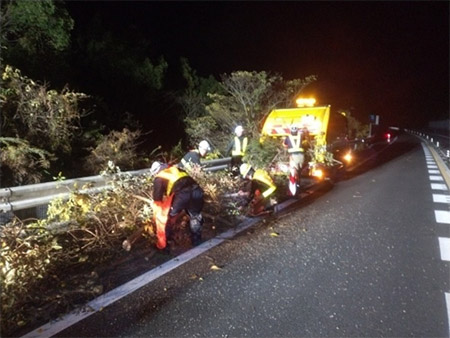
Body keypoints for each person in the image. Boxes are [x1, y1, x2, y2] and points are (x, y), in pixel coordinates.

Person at [149, 161, 204, 250]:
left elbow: (157, 199)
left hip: (182, 194)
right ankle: (197, 240)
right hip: (197, 191)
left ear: (155, 172)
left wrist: (157, 213)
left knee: (168, 217)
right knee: (195, 215)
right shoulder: (177, 169)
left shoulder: (159, 177)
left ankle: (165, 245)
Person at [283, 125, 310, 196]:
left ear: (291, 131)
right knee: (299, 171)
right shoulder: (300, 136)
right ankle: (299, 183)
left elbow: (284, 144)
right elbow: (305, 140)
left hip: (293, 157)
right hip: (301, 156)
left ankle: (294, 188)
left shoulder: (288, 137)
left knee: (293, 171)